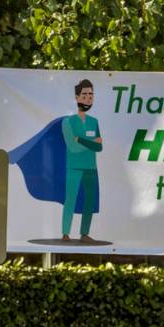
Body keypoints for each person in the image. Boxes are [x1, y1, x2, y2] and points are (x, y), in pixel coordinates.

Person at [61, 79, 102, 242]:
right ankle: (65, 233)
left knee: (89, 200)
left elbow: (99, 148)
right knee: (70, 198)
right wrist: (90, 143)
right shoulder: (68, 122)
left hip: (91, 167)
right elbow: (72, 147)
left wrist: (81, 140)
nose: (88, 98)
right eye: (84, 94)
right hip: (74, 167)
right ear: (77, 97)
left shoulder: (94, 122)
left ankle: (84, 233)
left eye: (91, 94)